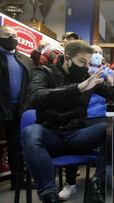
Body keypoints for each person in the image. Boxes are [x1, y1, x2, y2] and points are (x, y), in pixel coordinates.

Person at [22, 40, 114, 203]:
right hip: (51, 135)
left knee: (113, 126)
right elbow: (35, 97)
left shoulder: (87, 76)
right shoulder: (44, 72)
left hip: (77, 135)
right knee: (30, 131)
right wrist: (77, 88)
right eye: (81, 61)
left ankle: (98, 183)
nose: (85, 67)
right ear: (67, 58)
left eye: (88, 62)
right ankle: (49, 194)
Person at [57, 45, 114, 201]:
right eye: (94, 53)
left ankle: (102, 179)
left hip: (101, 115)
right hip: (80, 118)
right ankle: (70, 183)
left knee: (113, 130)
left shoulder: (105, 72)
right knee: (74, 134)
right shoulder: (76, 74)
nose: (96, 56)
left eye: (99, 53)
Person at [0, 25, 34, 190]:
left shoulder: (25, 60)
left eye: (14, 35)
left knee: (16, 147)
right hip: (1, 107)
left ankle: (18, 181)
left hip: (18, 110)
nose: (12, 37)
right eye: (7, 34)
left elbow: (30, 86)